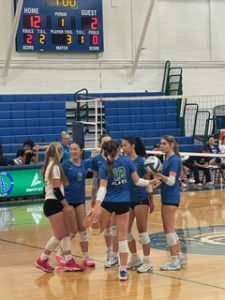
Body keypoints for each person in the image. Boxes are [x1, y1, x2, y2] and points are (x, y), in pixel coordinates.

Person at [91, 139, 153, 281]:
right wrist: (150, 182)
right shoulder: (127, 162)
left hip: (107, 202)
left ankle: (111, 255)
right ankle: (123, 271)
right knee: (122, 238)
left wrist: (96, 206)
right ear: (119, 149)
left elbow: (102, 188)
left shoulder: (104, 165)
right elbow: (138, 181)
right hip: (124, 203)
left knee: (99, 230)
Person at [34, 142, 82, 273]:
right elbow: (56, 190)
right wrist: (66, 205)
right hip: (53, 203)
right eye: (62, 151)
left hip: (51, 203)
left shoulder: (49, 166)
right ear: (59, 153)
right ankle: (42, 259)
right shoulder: (55, 167)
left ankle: (68, 260)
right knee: (59, 235)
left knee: (65, 233)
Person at [57, 142, 95, 268]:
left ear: (81, 151)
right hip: (67, 201)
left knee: (83, 229)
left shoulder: (84, 164)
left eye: (75, 149)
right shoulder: (65, 165)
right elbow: (59, 184)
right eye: (71, 149)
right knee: (71, 231)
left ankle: (85, 258)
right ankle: (60, 253)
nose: (73, 151)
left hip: (80, 200)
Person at [122, 136, 154, 273]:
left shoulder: (142, 161)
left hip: (141, 198)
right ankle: (135, 258)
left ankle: (147, 260)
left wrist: (151, 201)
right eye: (122, 146)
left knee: (142, 231)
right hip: (128, 199)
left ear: (132, 146)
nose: (123, 148)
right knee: (125, 231)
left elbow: (148, 182)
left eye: (125, 146)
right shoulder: (123, 162)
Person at [153, 135, 184, 271]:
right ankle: (179, 256)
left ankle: (174, 260)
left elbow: (171, 181)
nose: (161, 146)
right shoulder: (167, 159)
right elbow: (166, 181)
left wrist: (158, 174)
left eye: (164, 143)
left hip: (171, 197)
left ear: (171, 145)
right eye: (161, 143)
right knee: (169, 229)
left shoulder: (174, 160)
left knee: (169, 229)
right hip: (167, 196)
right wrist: (154, 184)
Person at [91, 134, 119, 268]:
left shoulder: (118, 159)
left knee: (115, 226)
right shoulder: (96, 160)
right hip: (103, 196)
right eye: (105, 142)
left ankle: (115, 253)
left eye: (109, 141)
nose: (107, 143)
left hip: (116, 195)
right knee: (106, 226)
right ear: (101, 144)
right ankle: (109, 252)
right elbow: (95, 180)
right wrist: (93, 198)